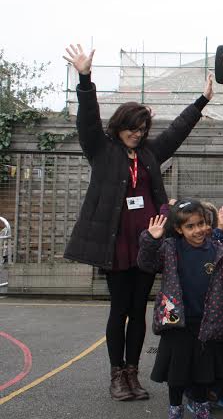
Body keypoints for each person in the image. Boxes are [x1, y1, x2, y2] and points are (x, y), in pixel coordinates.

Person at [62, 44, 213, 401]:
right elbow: (86, 117)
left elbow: (176, 131)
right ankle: (117, 375)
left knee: (139, 309)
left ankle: (133, 372)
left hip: (148, 241)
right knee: (120, 308)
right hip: (116, 242)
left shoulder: (148, 154)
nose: (138, 133)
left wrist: (201, 101)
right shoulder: (100, 149)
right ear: (119, 127)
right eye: (132, 128)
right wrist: (85, 79)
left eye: (143, 128)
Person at [138, 200, 223, 419]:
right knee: (177, 375)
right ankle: (175, 416)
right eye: (190, 226)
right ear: (179, 229)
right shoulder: (170, 248)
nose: (198, 230)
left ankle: (201, 416)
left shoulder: (218, 249)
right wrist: (151, 240)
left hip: (205, 323)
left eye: (201, 224)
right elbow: (146, 264)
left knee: (203, 373)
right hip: (177, 322)